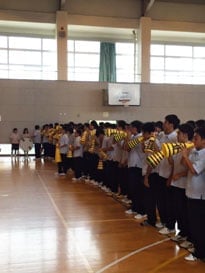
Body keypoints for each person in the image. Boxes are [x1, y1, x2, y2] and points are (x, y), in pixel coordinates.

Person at [182, 126, 205, 262]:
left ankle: (199, 253)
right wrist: (186, 154)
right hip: (191, 192)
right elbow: (185, 166)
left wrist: (186, 156)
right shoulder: (195, 151)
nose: (193, 141)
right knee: (194, 224)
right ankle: (198, 248)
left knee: (199, 225)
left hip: (200, 196)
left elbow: (195, 170)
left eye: (196, 138)